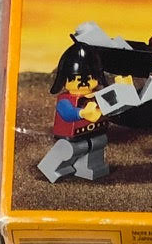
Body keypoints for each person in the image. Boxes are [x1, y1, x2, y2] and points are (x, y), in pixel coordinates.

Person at [38, 39, 114, 183]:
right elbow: (67, 113)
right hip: (70, 138)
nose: (84, 83)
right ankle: (52, 168)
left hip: (94, 132)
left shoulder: (96, 96)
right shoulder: (65, 100)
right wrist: (82, 113)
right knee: (69, 150)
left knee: (96, 145)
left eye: (90, 78)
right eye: (77, 79)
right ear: (64, 79)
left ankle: (91, 167)